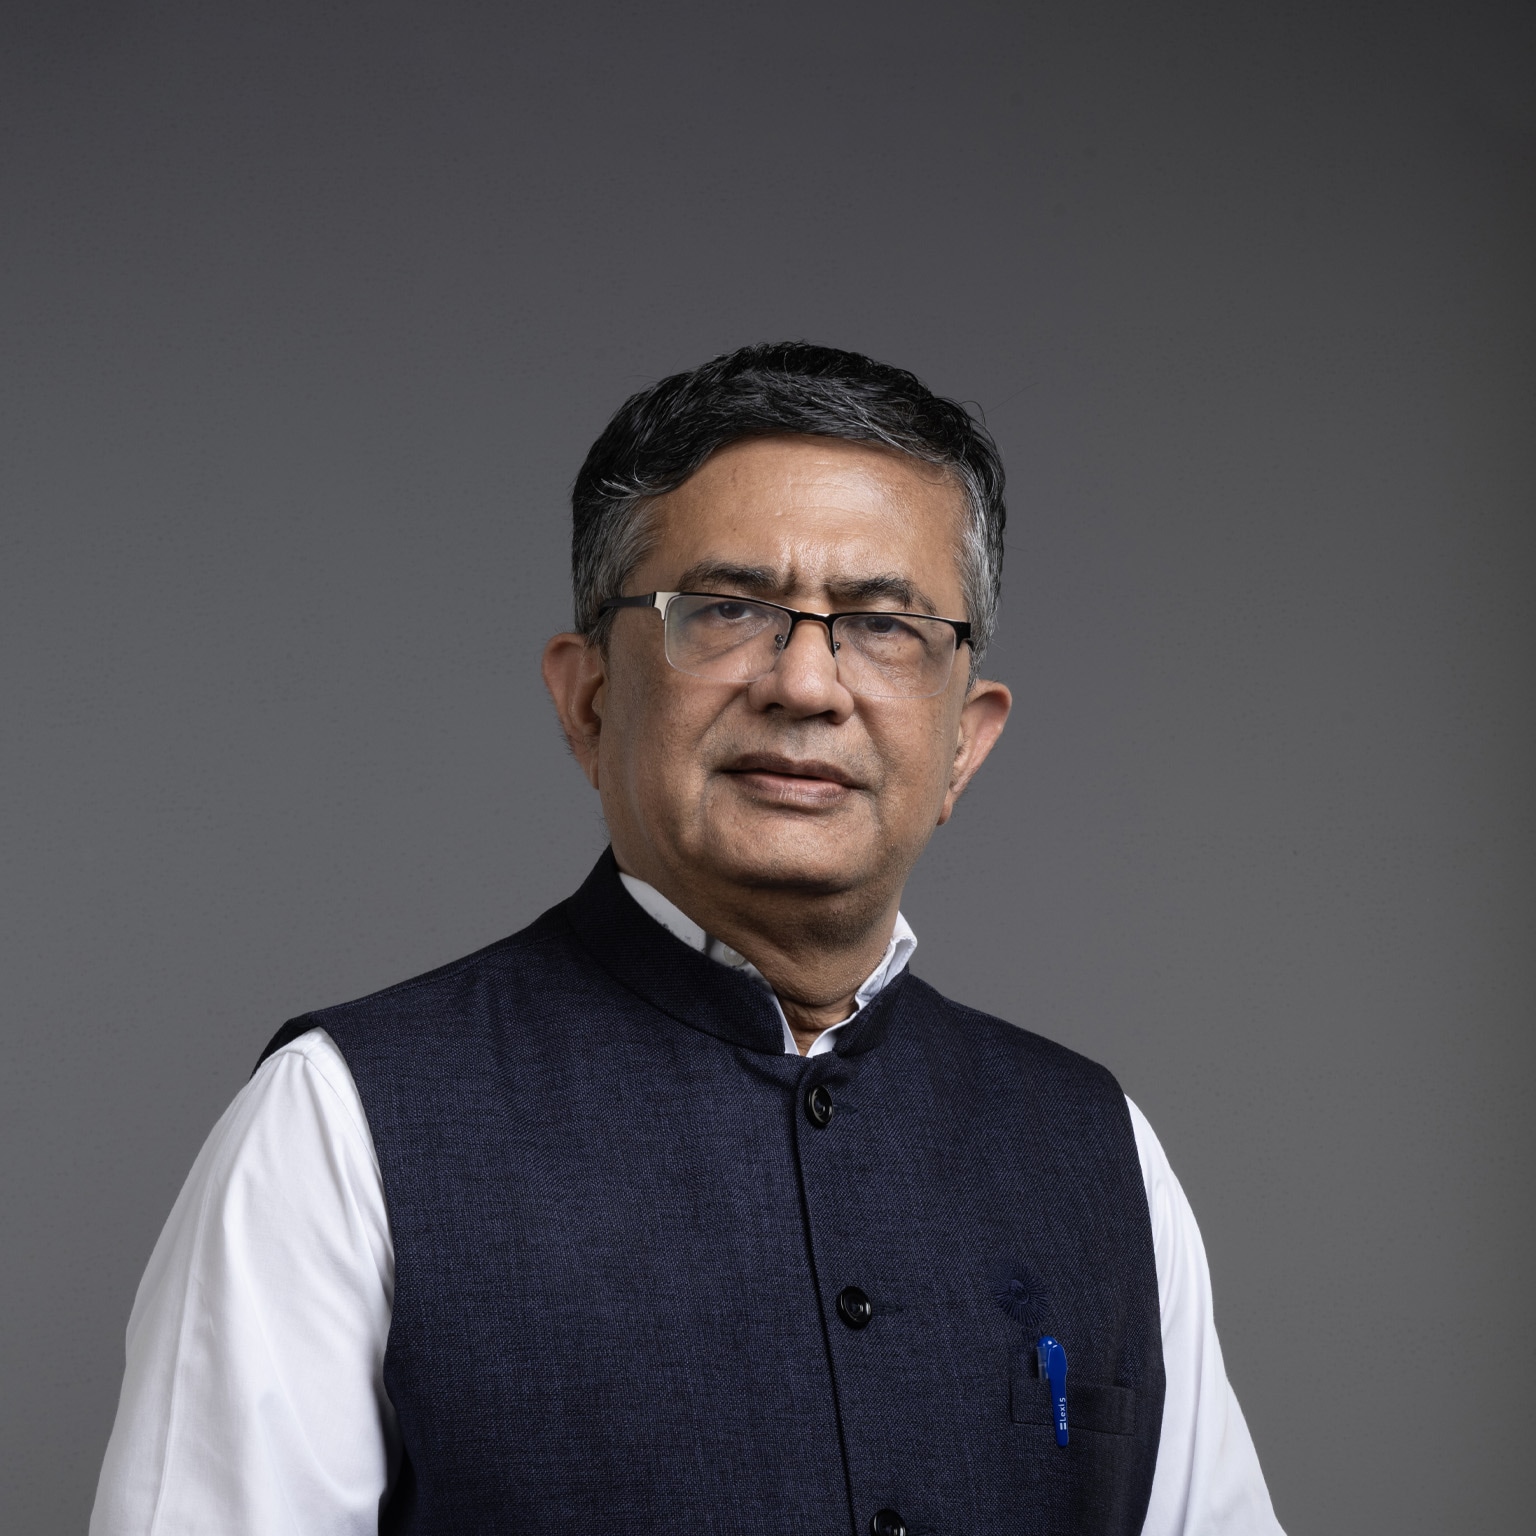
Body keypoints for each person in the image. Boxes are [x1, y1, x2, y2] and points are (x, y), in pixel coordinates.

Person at [91, 343, 1285, 1535]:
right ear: (589, 698)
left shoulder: (1096, 1150)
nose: (807, 684)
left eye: (883, 624)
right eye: (728, 610)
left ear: (965, 740)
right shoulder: (337, 1128)